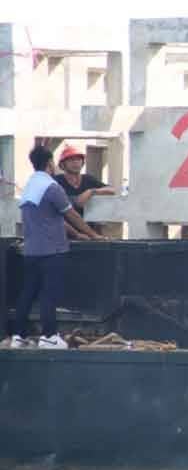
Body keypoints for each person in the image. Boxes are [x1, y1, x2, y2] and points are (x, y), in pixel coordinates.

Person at [8, 146, 104, 349]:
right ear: (51, 163)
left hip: (31, 250)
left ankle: (18, 336)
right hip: (52, 250)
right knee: (48, 294)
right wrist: (93, 235)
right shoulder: (51, 187)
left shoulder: (30, 186)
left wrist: (77, 235)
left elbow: (50, 217)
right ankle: (49, 336)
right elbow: (71, 215)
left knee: (28, 292)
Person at [54, 145, 115, 232]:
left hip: (89, 231)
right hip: (65, 232)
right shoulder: (57, 181)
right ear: (63, 164)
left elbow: (112, 190)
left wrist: (92, 191)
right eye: (71, 160)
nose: (75, 163)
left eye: (78, 159)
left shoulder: (88, 179)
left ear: (82, 162)